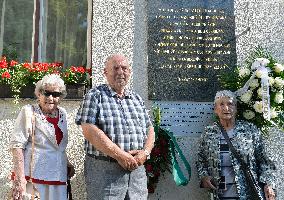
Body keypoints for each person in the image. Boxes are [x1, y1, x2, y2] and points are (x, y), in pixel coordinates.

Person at [75, 54, 155, 200]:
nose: (120, 72)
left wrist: (145, 153)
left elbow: (150, 129)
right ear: (105, 72)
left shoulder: (136, 99)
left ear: (129, 72)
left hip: (136, 174)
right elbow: (88, 130)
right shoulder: (95, 95)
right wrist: (120, 155)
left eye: (124, 68)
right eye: (115, 68)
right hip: (105, 173)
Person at [196, 90, 276, 200]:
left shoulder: (250, 130)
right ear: (215, 109)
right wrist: (204, 177)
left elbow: (266, 161)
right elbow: (200, 159)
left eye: (230, 104)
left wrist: (269, 184)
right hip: (221, 194)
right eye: (221, 104)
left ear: (236, 108)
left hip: (247, 194)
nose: (226, 108)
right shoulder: (209, 133)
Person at [10, 74, 75, 200]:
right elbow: (17, 145)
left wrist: (66, 163)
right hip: (33, 179)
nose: (51, 98)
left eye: (56, 94)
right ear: (39, 94)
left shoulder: (63, 114)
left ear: (60, 97)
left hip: (58, 176)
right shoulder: (28, 111)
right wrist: (19, 179)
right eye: (47, 93)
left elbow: (58, 145)